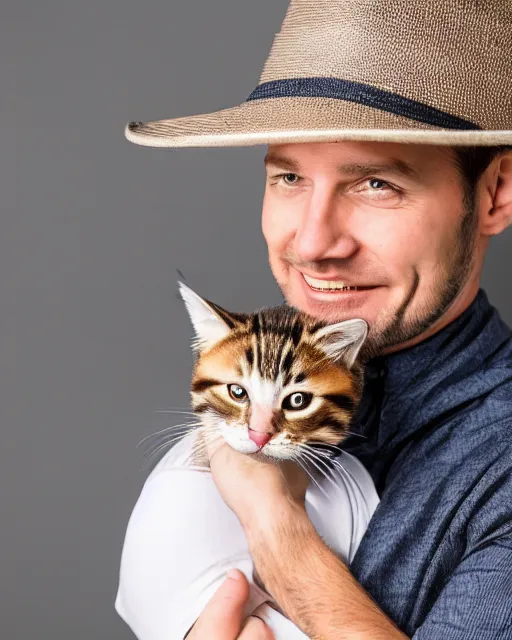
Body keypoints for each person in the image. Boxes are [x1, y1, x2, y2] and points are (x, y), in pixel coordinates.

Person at [115, 1, 512, 638]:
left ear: (495, 193)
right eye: (290, 176)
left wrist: (276, 526)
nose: (313, 243)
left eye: (376, 183)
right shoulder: (249, 385)